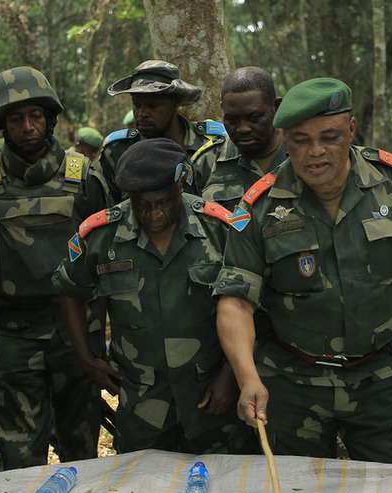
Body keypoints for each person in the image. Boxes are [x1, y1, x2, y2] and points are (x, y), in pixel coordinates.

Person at [214, 78, 392, 463]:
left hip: (379, 377)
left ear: (352, 130)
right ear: (284, 137)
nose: (315, 152)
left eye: (330, 137)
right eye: (300, 139)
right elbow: (235, 301)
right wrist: (247, 378)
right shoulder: (259, 205)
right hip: (292, 382)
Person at [54, 139, 254, 454]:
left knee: (223, 490)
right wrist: (87, 358)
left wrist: (232, 375)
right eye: (141, 203)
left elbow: (248, 302)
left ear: (180, 188)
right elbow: (70, 289)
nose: (153, 213)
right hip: (142, 408)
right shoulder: (103, 235)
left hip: (213, 401)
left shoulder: (219, 230)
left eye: (163, 202)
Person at [0, 67, 103, 471]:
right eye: (16, 119)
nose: (28, 127)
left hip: (76, 333)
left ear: (50, 119)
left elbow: (106, 254)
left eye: (36, 116)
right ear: (1, 124)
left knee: (82, 453)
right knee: (17, 460)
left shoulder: (83, 176)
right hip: (13, 336)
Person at [85, 60, 226, 213]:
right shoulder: (117, 150)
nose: (142, 113)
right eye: (137, 105)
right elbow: (111, 207)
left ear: (176, 102)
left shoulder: (209, 146)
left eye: (153, 106)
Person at [192, 66, 287, 209]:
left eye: (254, 118)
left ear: (276, 107)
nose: (243, 129)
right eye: (232, 120)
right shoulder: (206, 163)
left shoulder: (302, 152)